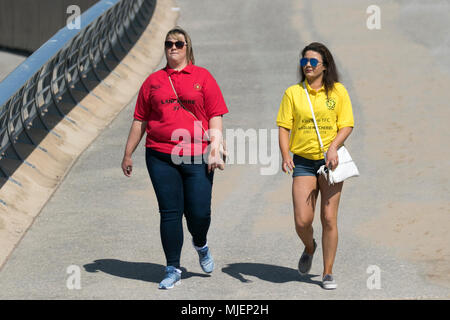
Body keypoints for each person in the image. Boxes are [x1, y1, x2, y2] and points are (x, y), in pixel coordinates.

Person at [121, 26, 228, 289]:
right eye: (169, 43)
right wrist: (128, 153)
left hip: (196, 154)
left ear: (187, 47)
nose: (173, 47)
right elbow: (140, 120)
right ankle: (172, 268)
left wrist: (215, 147)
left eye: (178, 43)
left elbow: (215, 114)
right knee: (170, 212)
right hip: (159, 154)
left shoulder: (203, 77)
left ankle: (200, 244)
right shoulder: (153, 81)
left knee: (199, 213)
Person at [276, 42, 354, 290]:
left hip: (330, 162)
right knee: (302, 220)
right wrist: (285, 154)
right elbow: (284, 126)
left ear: (325, 65)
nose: (307, 65)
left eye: (313, 62)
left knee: (329, 218)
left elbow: (347, 124)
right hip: (303, 163)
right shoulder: (293, 93)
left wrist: (333, 146)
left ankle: (327, 272)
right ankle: (310, 247)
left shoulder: (338, 91)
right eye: (304, 61)